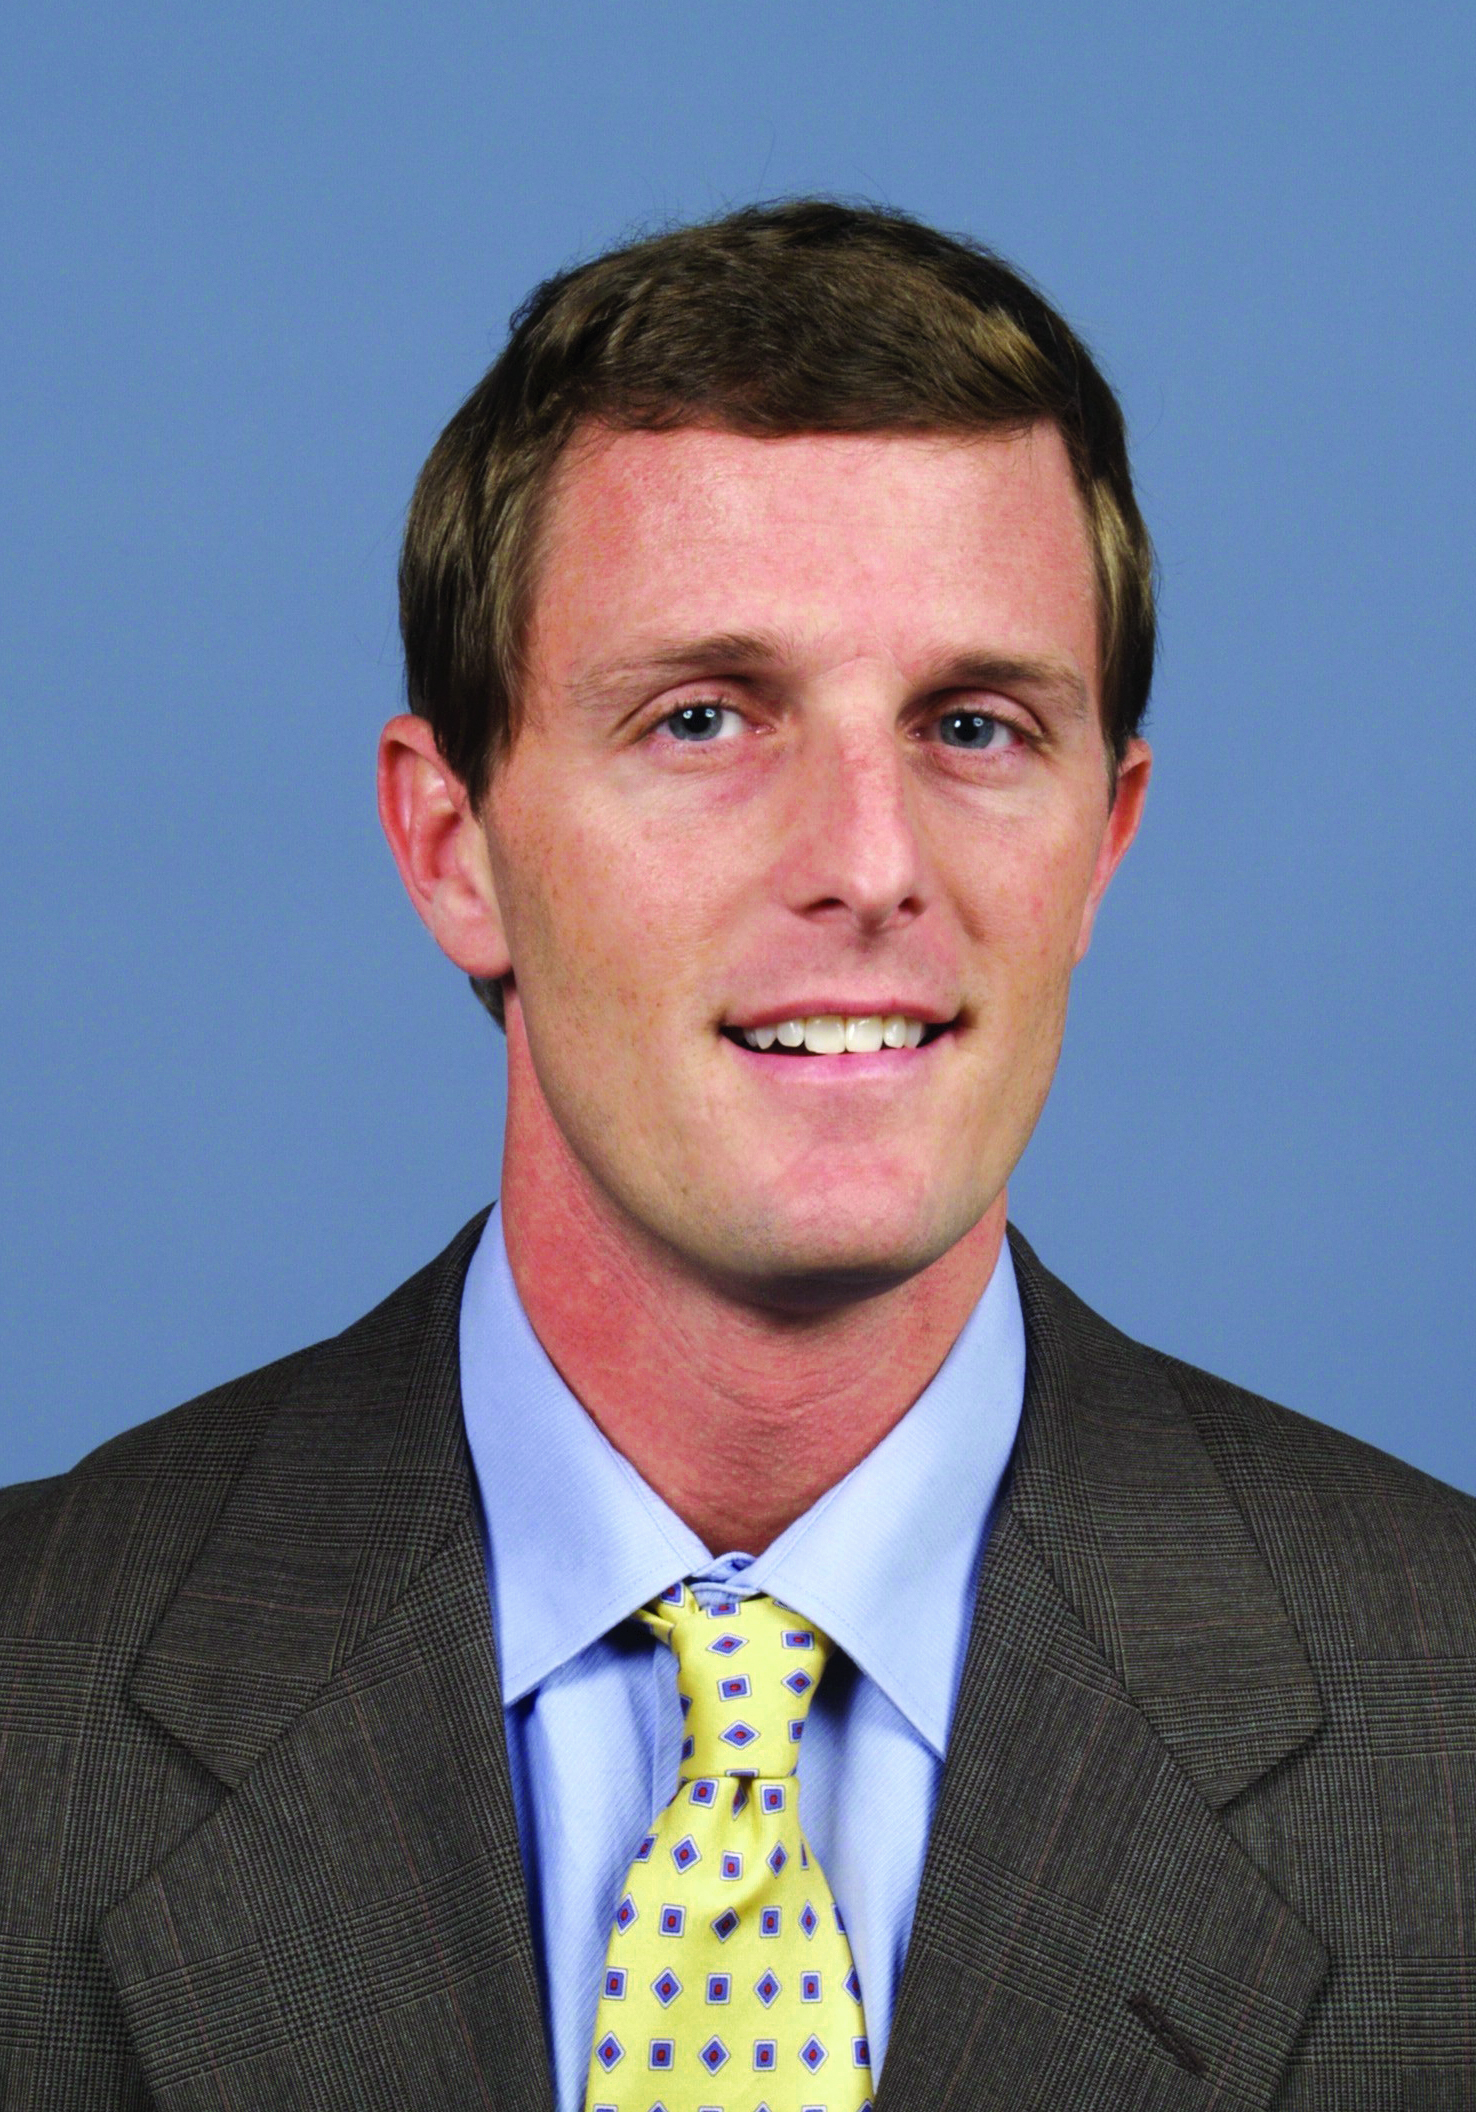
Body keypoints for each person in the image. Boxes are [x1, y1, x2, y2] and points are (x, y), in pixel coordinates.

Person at [3, 200, 1474, 2112]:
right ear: (453, 846)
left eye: (974, 727)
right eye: (704, 718)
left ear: (1104, 840)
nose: (868, 863)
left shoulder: (1442, 1726)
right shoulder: (37, 1696)